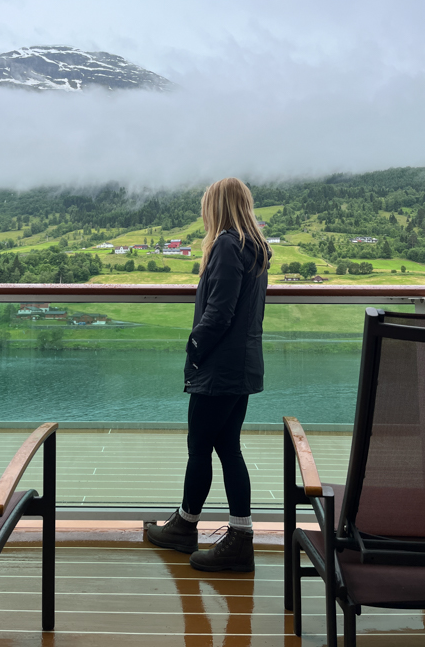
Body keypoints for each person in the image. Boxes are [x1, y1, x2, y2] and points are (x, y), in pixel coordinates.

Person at [147, 177, 270, 572]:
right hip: (242, 364)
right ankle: (237, 536)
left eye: (206, 206)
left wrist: (194, 347)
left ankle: (186, 528)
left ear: (216, 207)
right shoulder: (255, 249)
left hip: (220, 367)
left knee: (200, 447)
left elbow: (219, 312)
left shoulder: (227, 245)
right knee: (228, 447)